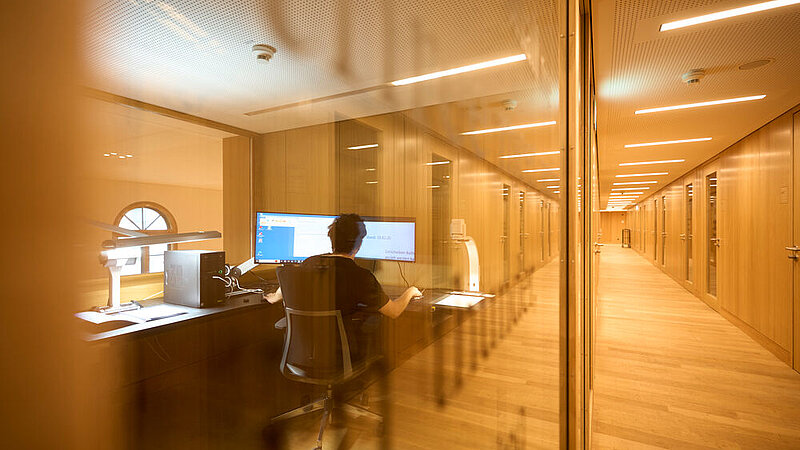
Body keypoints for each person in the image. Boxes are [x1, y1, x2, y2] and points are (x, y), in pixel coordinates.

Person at [264, 213, 421, 364]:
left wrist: (276, 296)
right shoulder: (361, 276)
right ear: (358, 245)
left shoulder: (308, 263)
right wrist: (411, 291)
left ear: (332, 240)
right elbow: (394, 312)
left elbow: (288, 282)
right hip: (341, 358)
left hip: (303, 356)